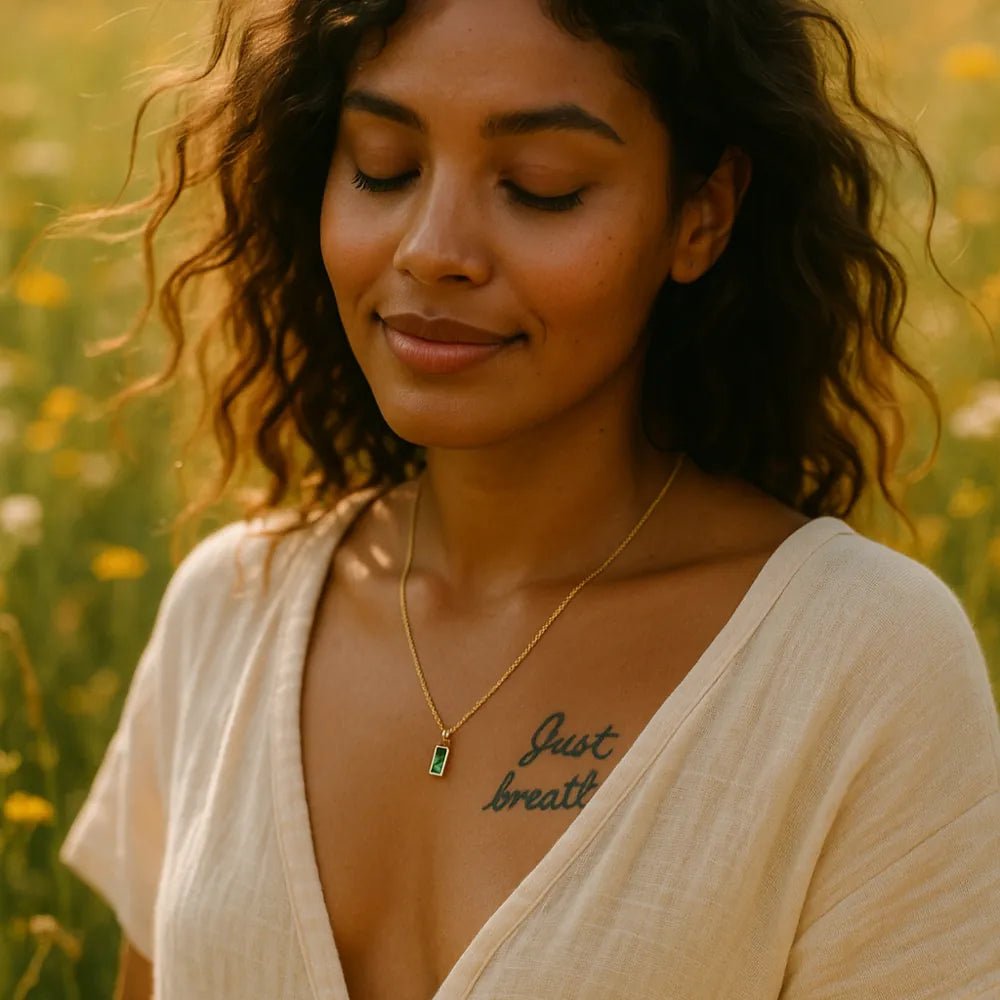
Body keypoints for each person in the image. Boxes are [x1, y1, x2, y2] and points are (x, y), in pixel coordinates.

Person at [56, 0, 999, 997]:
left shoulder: (860, 662)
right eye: (382, 164)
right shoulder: (229, 608)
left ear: (701, 215)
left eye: (539, 187)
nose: (432, 247)